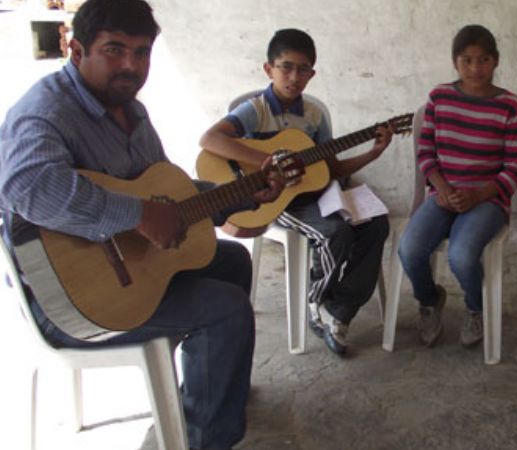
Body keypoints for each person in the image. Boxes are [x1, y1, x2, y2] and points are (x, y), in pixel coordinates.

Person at [0, 1, 289, 448]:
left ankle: (211, 397)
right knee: (226, 308)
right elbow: (29, 189)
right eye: (114, 50)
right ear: (77, 51)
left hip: (133, 273)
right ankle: (205, 439)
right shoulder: (44, 113)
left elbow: (166, 195)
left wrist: (242, 194)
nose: (131, 65)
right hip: (71, 301)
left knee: (231, 261)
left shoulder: (131, 111)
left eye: (142, 52)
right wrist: (134, 215)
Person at [199, 28, 394, 357]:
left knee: (377, 224)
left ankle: (336, 310)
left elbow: (329, 168)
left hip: (314, 195)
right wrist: (269, 161)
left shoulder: (314, 116)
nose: (294, 77)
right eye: (286, 67)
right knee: (335, 233)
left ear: (312, 74)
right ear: (269, 69)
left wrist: (373, 153)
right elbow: (210, 140)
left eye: (303, 69)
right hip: (276, 200)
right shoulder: (256, 109)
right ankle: (318, 303)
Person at [397, 24, 517, 349]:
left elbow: (514, 169)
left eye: (483, 60)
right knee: (409, 249)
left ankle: (475, 307)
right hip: (443, 194)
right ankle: (429, 301)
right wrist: (441, 189)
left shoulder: (511, 107)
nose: (475, 68)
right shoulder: (439, 98)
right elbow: (426, 154)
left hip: (488, 200)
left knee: (462, 255)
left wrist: (477, 195)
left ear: (495, 62)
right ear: (456, 62)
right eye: (467, 60)